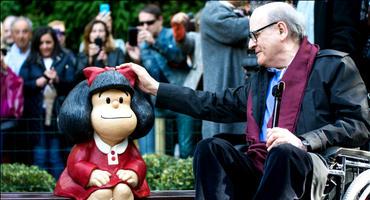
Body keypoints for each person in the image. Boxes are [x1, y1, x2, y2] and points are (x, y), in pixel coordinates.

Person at [121, 2, 370, 199]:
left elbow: (358, 124)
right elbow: (211, 103)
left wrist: (304, 141)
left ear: (281, 30)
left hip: (311, 167)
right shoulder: (260, 81)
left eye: (256, 35)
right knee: (211, 148)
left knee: (285, 151)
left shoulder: (333, 66)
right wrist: (154, 88)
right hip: (261, 168)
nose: (251, 45)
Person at [54, 66, 153, 200]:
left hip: (122, 184)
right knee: (102, 194)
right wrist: (90, 173)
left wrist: (133, 172)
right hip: (91, 187)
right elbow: (75, 164)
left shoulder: (128, 146)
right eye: (107, 101)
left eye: (122, 101)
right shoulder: (87, 145)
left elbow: (138, 161)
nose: (116, 105)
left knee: (123, 191)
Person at [126, 4, 193, 157]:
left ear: (160, 20)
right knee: (163, 150)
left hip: (182, 97)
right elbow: (145, 76)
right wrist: (136, 59)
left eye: (149, 22)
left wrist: (154, 43)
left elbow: (179, 57)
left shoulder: (173, 34)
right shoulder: (141, 44)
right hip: (159, 99)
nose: (145, 27)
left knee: (186, 149)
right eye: (142, 23)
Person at [19, 26, 76, 178]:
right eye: (41, 43)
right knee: (39, 155)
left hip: (57, 115)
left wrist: (57, 80)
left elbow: (72, 84)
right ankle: (40, 191)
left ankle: (58, 189)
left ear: (54, 42)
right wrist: (39, 82)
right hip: (36, 115)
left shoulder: (65, 58)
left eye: (48, 42)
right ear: (37, 44)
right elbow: (21, 84)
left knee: (56, 156)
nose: (45, 46)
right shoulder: (30, 61)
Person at [199, 1, 250, 138]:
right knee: (222, 139)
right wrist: (263, 18)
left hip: (233, 86)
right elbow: (234, 30)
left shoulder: (229, 11)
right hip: (223, 85)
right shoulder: (213, 10)